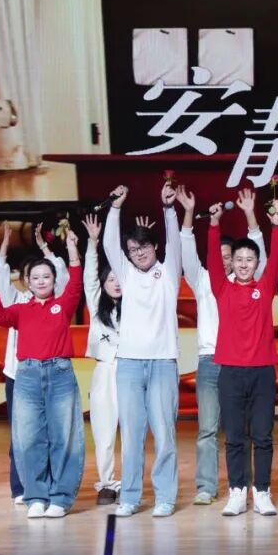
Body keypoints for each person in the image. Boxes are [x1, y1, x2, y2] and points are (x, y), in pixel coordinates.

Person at [175, 187, 266, 508]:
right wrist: (189, 213)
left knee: (244, 431)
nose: (228, 261)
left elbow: (259, 251)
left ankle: (245, 487)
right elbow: (187, 249)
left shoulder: (251, 281)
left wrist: (250, 215)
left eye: (233, 256)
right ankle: (206, 486)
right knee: (207, 429)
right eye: (222, 255)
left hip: (243, 363)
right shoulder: (203, 279)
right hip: (210, 360)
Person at [0, 228, 85, 519]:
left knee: (63, 437)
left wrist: (72, 251)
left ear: (54, 280)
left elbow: (76, 282)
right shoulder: (21, 309)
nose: (41, 281)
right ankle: (36, 497)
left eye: (46, 277)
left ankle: (61, 498)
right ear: (28, 282)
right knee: (29, 438)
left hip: (59, 373)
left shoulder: (62, 304)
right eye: (36, 278)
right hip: (27, 375)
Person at [102, 182, 183, 518]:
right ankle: (130, 497)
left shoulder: (168, 273)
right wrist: (115, 208)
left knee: (164, 433)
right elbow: (109, 244)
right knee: (132, 434)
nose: (139, 253)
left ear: (154, 246)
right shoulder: (127, 274)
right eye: (133, 249)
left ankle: (165, 497)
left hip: (163, 362)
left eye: (144, 247)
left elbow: (176, 242)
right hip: (129, 364)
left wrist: (168, 209)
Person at [206, 197, 278, 517]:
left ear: (256, 263)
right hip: (231, 373)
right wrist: (214, 225)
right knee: (235, 437)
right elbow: (213, 259)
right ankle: (237, 491)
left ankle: (262, 491)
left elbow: (277, 259)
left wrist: (277, 226)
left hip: (262, 372)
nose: (242, 264)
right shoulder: (222, 288)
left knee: (263, 435)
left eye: (249, 259)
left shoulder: (265, 288)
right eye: (238, 259)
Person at [82, 214, 123, 505]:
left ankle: (130, 483)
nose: (116, 283)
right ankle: (107, 484)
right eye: (110, 279)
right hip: (105, 372)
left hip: (131, 370)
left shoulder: (137, 305)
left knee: (132, 433)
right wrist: (92, 243)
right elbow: (89, 276)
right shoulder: (97, 304)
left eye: (119, 277)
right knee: (104, 432)